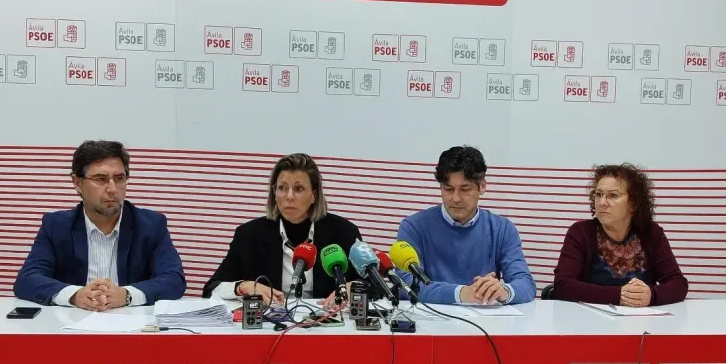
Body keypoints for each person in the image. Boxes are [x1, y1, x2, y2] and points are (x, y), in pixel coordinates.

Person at [13, 140, 187, 310]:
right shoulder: (56, 226)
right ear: (77, 183)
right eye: (100, 179)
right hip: (72, 322)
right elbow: (28, 279)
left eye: (119, 178)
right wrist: (75, 295)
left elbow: (173, 279)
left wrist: (126, 295)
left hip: (132, 323)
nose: (112, 189)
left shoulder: (151, 225)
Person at [203, 153, 363, 304]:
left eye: (298, 189)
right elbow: (211, 289)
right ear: (274, 193)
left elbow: (373, 286)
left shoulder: (344, 233)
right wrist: (243, 287)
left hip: (327, 321)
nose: (289, 196)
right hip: (270, 322)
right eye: (282, 188)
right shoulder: (249, 235)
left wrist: (355, 288)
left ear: (314, 195)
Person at [395, 146, 536, 305]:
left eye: (465, 189)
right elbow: (405, 284)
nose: (456, 198)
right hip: (429, 317)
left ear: (482, 186)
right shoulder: (414, 227)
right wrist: (461, 293)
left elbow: (525, 283)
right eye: (448, 189)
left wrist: (504, 291)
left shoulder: (502, 229)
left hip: (486, 318)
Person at [552, 163, 688, 306]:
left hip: (642, 318)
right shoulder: (580, 232)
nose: (602, 202)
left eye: (613, 195)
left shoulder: (651, 232)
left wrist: (652, 295)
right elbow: (563, 285)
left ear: (634, 203)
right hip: (589, 317)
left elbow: (678, 284)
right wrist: (618, 295)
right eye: (598, 194)